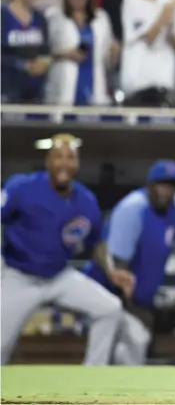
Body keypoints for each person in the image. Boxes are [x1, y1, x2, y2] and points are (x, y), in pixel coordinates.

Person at [1, 134, 134, 365]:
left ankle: (92, 381)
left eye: (70, 157)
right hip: (19, 276)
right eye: (58, 157)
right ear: (48, 161)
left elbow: (97, 242)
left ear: (77, 164)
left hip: (59, 276)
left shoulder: (86, 200)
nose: (64, 163)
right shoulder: (21, 186)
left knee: (109, 309)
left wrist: (112, 272)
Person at [82, 159, 175, 365]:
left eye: (172, 187)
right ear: (149, 185)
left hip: (136, 300)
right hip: (107, 293)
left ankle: (119, 394)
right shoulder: (133, 210)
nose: (167, 191)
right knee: (115, 349)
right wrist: (138, 310)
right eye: (162, 185)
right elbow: (119, 270)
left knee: (132, 349)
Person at [44, 0, 117, 106]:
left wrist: (113, 53)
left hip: (95, 89)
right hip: (63, 89)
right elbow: (44, 54)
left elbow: (107, 59)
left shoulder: (101, 18)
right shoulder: (53, 16)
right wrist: (65, 54)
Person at [120, 0, 175, 107]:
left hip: (164, 82)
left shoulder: (168, 1)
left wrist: (171, 28)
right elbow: (150, 38)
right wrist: (168, 10)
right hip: (139, 83)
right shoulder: (132, 0)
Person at [1, 0, 52, 104]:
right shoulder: (3, 16)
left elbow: (45, 51)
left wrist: (43, 63)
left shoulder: (40, 18)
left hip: (36, 92)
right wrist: (23, 65)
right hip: (8, 91)